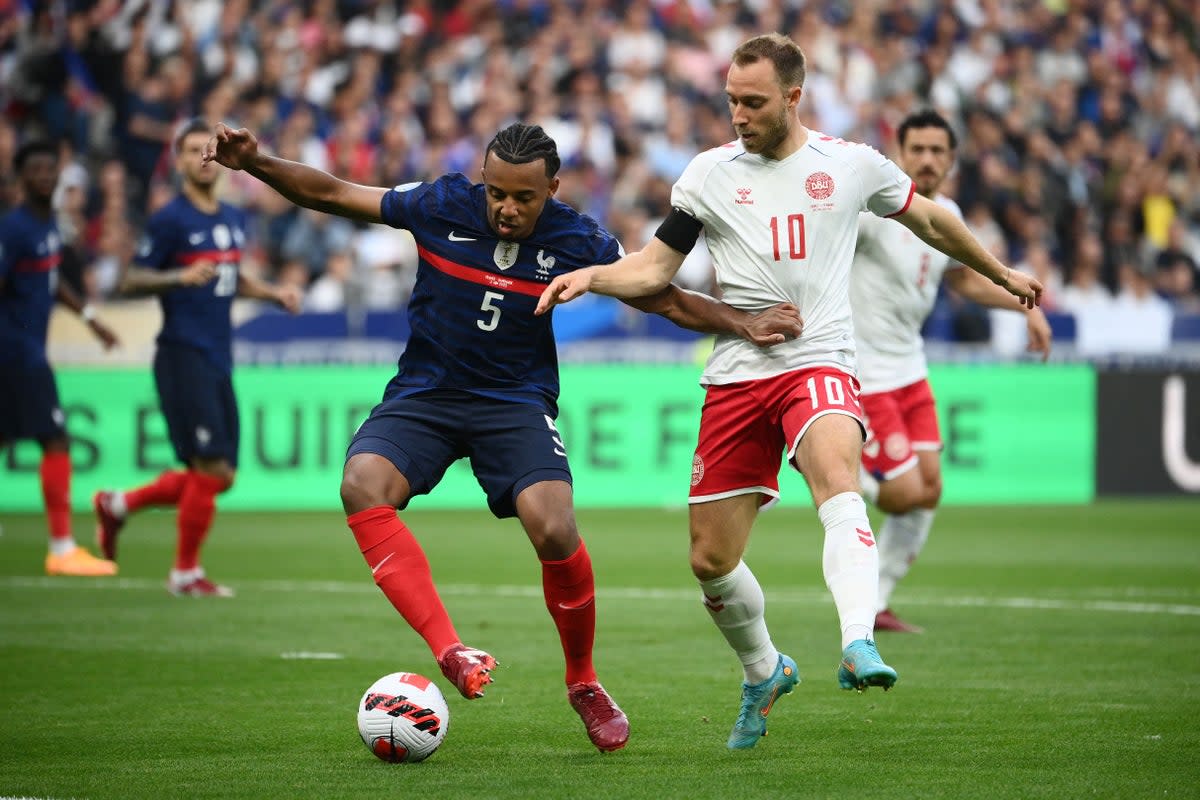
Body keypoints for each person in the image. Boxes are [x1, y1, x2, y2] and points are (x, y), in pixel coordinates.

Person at [202, 120, 803, 753]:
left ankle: (584, 683)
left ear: (553, 189)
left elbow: (663, 298)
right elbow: (334, 193)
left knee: (554, 526)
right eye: (496, 193)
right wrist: (256, 163)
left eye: (524, 197)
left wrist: (741, 321)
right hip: (427, 394)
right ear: (482, 182)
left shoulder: (577, 238)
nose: (507, 208)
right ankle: (451, 650)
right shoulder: (441, 204)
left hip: (514, 402)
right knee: (361, 485)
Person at [535, 34, 1043, 750]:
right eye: (731, 100)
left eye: (753, 101)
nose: (738, 114)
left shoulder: (851, 165)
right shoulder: (708, 174)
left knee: (840, 480)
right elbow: (654, 269)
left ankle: (859, 640)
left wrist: (1004, 274)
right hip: (740, 373)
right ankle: (764, 669)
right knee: (710, 560)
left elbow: (932, 220)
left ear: (793, 97)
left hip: (821, 358)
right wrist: (592, 277)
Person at [850, 110, 1052, 634]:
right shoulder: (874, 210)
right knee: (901, 492)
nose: (928, 159)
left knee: (930, 488)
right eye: (918, 149)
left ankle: (878, 602)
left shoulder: (949, 213)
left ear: (952, 159)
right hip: (864, 372)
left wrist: (1022, 305)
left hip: (910, 368)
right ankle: (837, 470)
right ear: (899, 151)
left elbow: (961, 281)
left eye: (938, 151)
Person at [92, 119, 302, 597]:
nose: (200, 158)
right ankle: (185, 574)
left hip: (218, 356)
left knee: (220, 474)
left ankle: (119, 505)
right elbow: (130, 280)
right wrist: (176, 279)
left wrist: (272, 294)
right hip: (182, 353)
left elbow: (232, 277)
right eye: (189, 150)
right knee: (209, 468)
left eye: (204, 148)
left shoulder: (230, 218)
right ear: (179, 161)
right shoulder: (170, 220)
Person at [0, 140, 120, 577]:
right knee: (56, 440)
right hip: (17, 353)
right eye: (36, 169)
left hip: (24, 350)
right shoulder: (13, 230)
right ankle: (62, 547)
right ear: (20, 177)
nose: (45, 176)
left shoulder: (46, 224)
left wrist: (91, 318)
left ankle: (62, 546)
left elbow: (51, 282)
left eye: (51, 168)